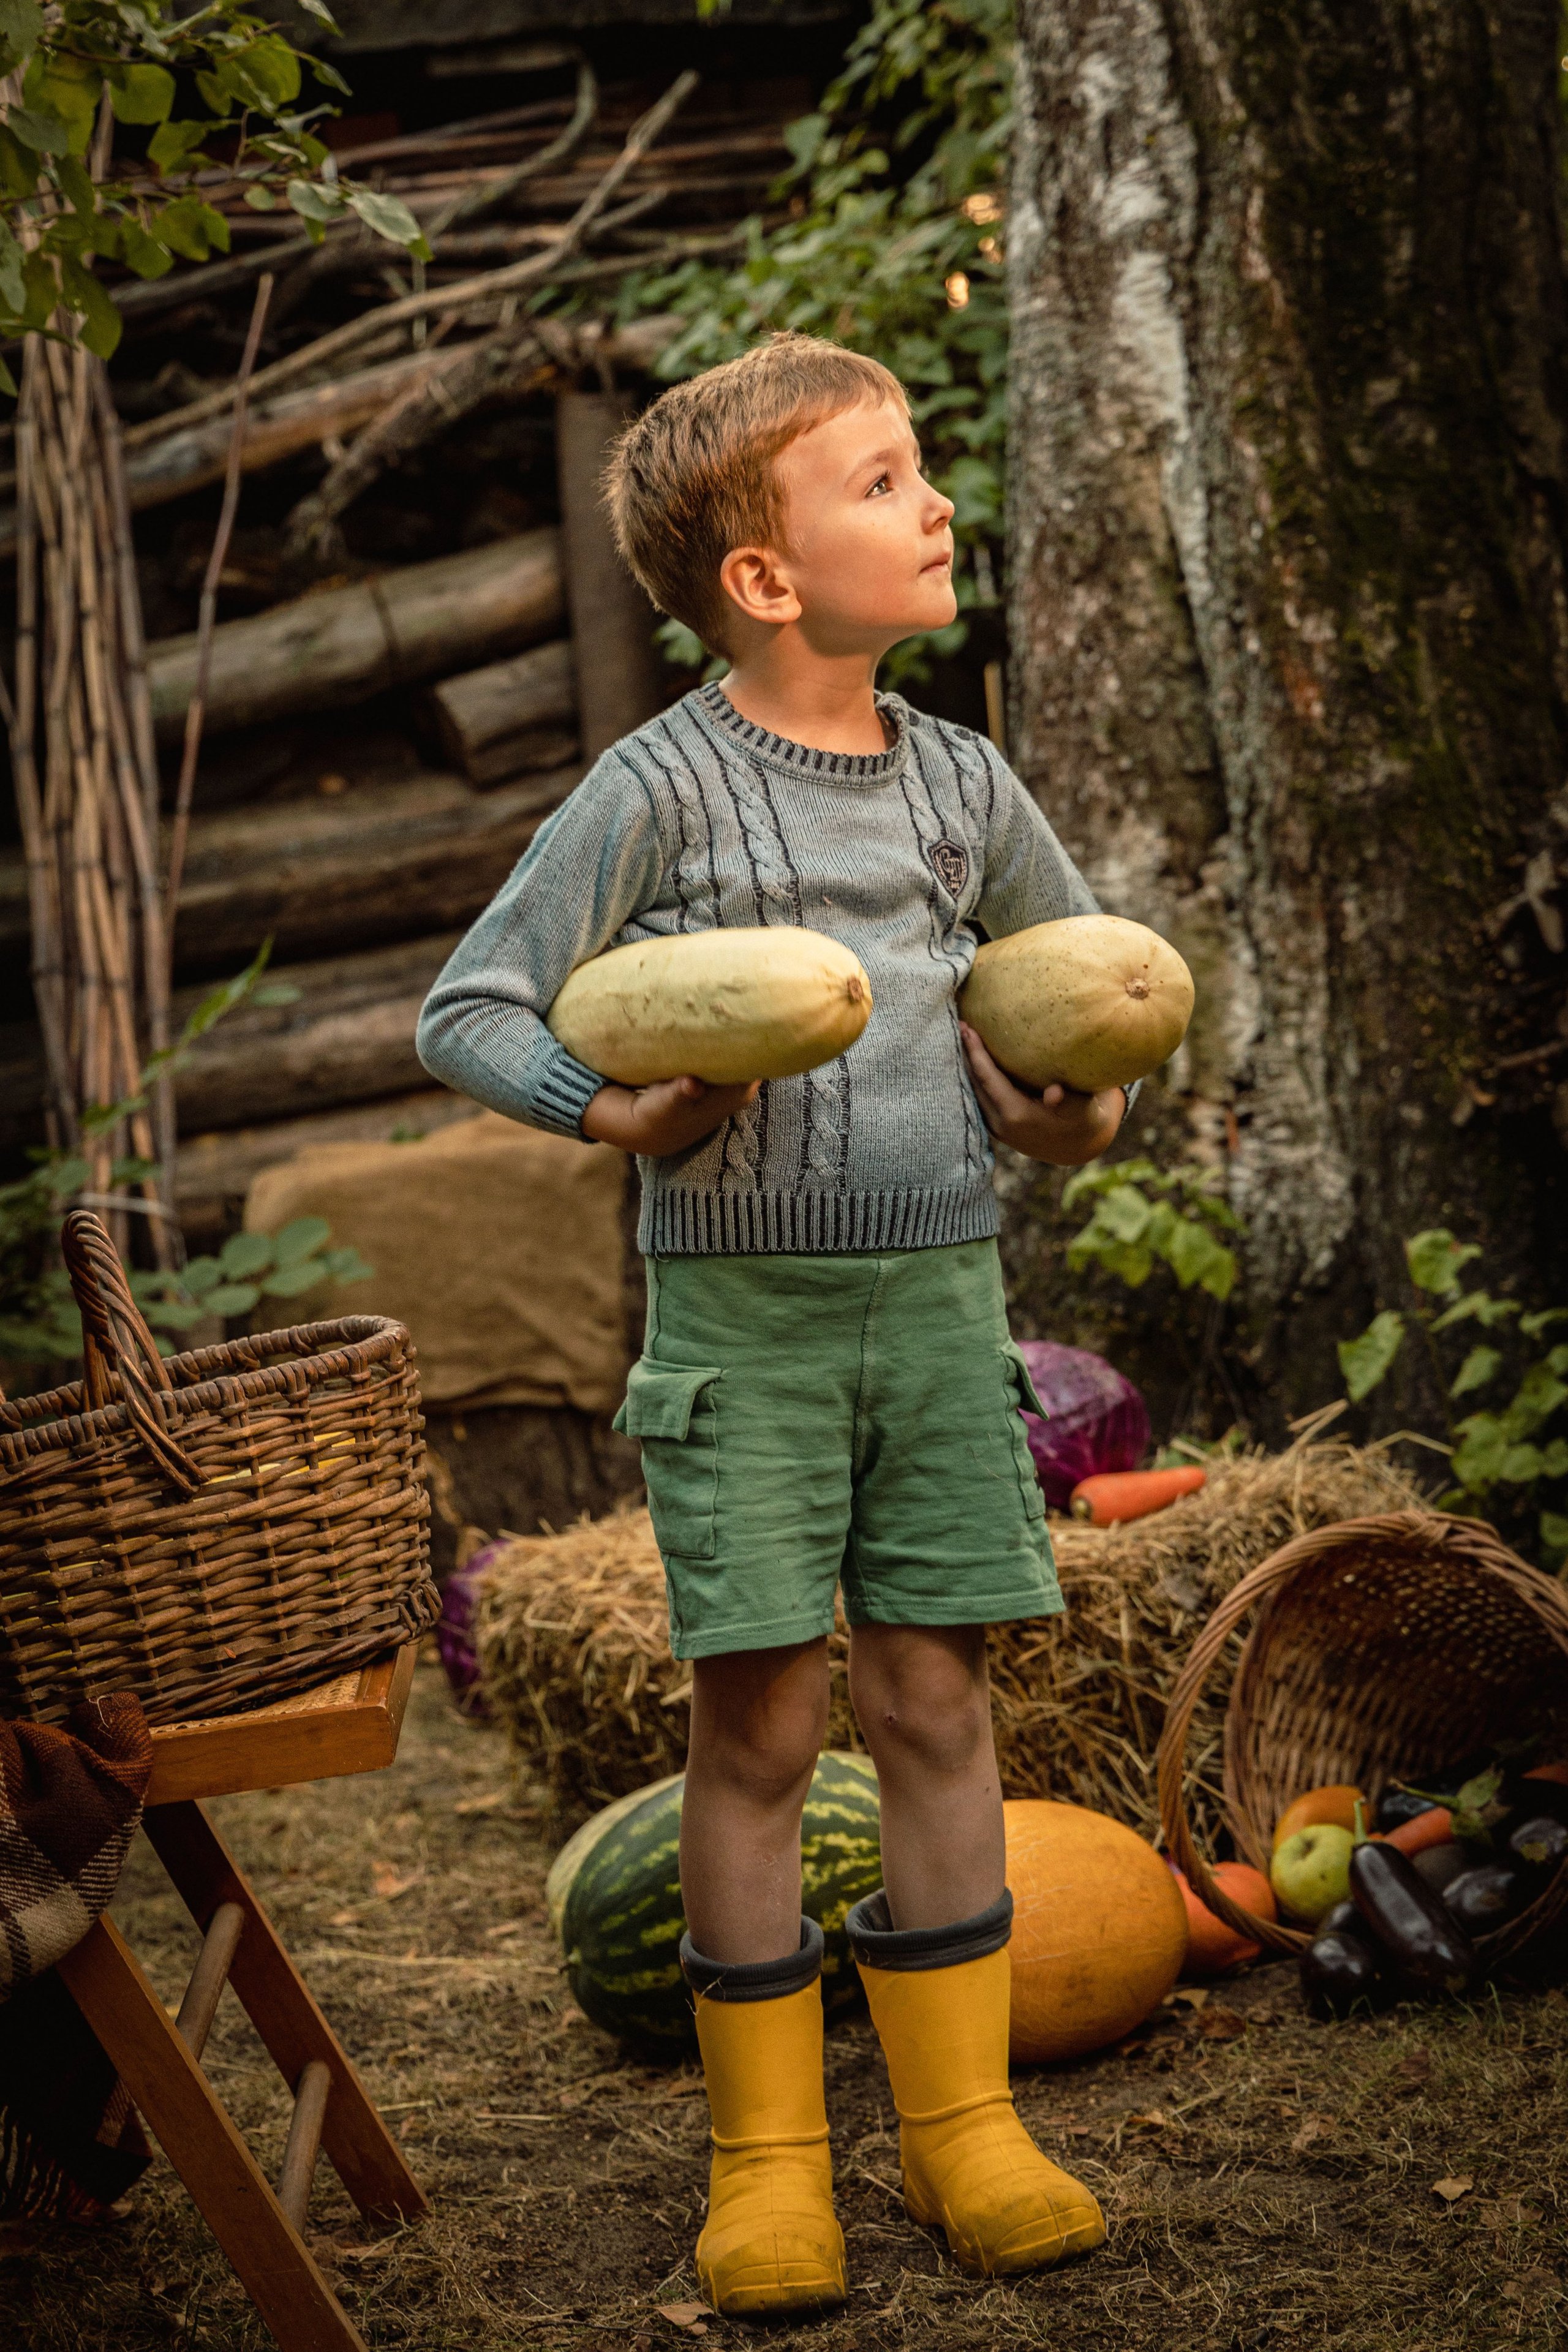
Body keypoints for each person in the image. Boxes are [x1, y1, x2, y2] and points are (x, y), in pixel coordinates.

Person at [417, 332, 1128, 2318]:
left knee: (932, 1705)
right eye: (888, 480)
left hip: (938, 1307)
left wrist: (1078, 1109)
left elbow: (1067, 1018)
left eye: (923, 472)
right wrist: (615, 1110)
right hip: (745, 1320)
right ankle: (768, 2162)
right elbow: (470, 1009)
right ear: (763, 576)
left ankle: (964, 2130)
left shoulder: (965, 787)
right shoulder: (653, 790)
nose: (937, 503)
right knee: (760, 1728)